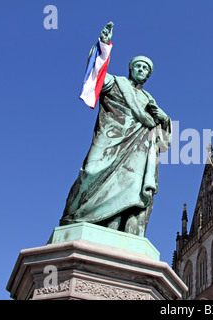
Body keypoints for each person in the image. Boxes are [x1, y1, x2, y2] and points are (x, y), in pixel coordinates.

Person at [60, 22, 171, 236]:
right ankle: (74, 218)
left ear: (148, 75)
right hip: (110, 139)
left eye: (145, 69)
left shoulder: (150, 100)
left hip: (137, 152)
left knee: (130, 190)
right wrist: (103, 47)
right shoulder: (116, 83)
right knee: (90, 173)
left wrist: (163, 119)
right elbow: (98, 75)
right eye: (138, 66)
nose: (141, 70)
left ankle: (114, 227)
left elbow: (163, 141)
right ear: (131, 68)